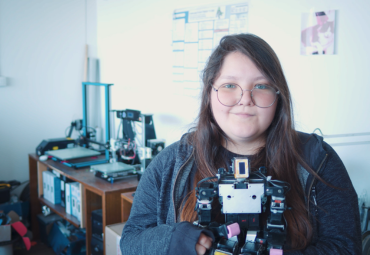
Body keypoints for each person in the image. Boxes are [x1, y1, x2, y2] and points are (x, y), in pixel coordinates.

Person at [120, 34, 361, 254]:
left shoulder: (318, 160)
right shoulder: (171, 163)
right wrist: (171, 241)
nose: (245, 99)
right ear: (209, 93)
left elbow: (346, 248)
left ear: (278, 96)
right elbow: (131, 241)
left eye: (261, 86)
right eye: (229, 86)